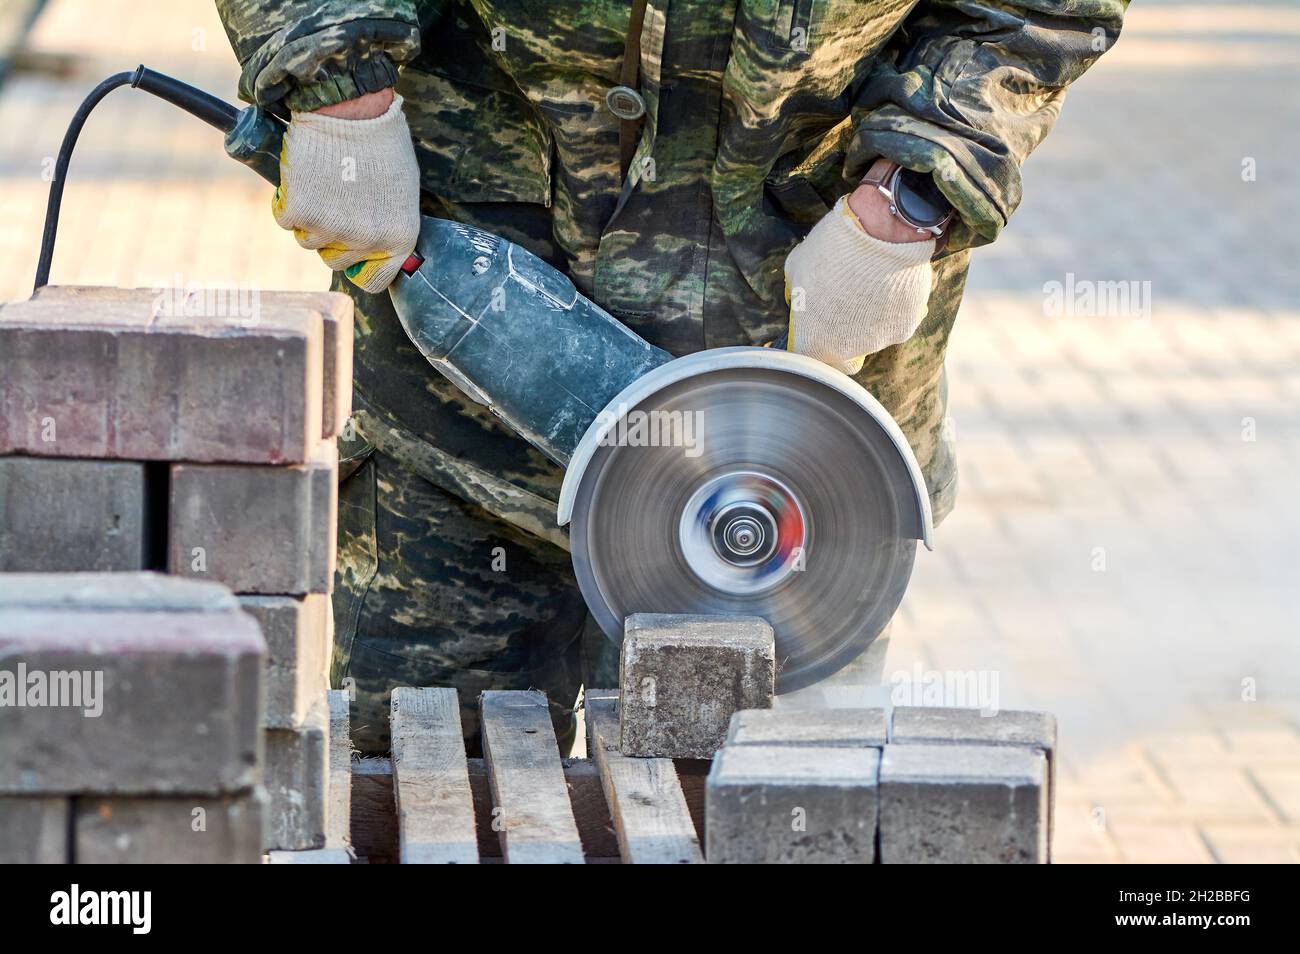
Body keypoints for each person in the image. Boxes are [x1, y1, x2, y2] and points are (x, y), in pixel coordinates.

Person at [217, 0, 1127, 753]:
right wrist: (333, 78)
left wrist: (913, 191)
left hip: (794, 450)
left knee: (765, 812)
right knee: (427, 790)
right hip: (456, 421)